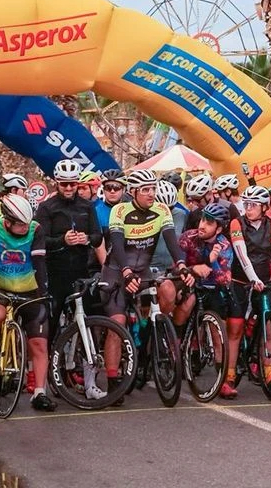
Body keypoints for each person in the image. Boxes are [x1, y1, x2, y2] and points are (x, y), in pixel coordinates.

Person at [104, 168, 187, 398]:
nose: (151, 194)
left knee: (167, 294)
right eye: (146, 190)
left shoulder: (161, 210)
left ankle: (151, 340)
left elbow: (172, 242)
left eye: (153, 189)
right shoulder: (120, 210)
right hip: (117, 272)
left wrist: (181, 264)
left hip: (144, 272)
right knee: (118, 323)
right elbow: (118, 247)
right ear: (133, 191)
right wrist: (127, 273)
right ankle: (112, 381)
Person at [0, 194, 54, 412]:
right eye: (20, 224)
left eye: (27, 223)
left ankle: (40, 392)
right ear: (8, 221)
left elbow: (39, 263)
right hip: (0, 286)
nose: (25, 228)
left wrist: (43, 293)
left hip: (28, 288)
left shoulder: (35, 229)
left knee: (39, 343)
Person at [34, 159, 102, 342]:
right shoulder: (47, 207)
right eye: (64, 184)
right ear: (57, 182)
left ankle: (89, 362)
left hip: (80, 271)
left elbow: (98, 237)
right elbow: (39, 241)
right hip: (55, 272)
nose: (69, 188)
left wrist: (86, 238)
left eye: (73, 183)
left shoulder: (87, 206)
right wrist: (62, 240)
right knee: (51, 320)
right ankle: (48, 363)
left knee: (88, 319)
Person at [174, 203, 238, 397]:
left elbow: (224, 277)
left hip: (211, 287)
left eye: (209, 223)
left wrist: (212, 261)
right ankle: (175, 339)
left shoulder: (224, 245)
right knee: (188, 302)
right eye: (202, 219)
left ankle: (223, 381)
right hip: (187, 281)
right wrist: (195, 268)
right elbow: (176, 265)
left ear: (218, 229)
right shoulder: (188, 237)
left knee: (219, 336)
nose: (202, 225)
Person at [228, 185, 271, 398]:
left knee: (268, 327)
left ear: (263, 207)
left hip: (264, 279)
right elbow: (242, 255)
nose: (248, 208)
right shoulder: (237, 222)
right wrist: (252, 279)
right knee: (235, 329)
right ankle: (229, 377)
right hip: (240, 280)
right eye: (245, 204)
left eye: (252, 205)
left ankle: (270, 376)